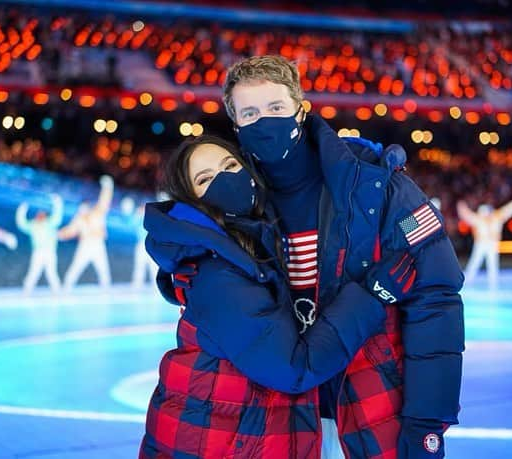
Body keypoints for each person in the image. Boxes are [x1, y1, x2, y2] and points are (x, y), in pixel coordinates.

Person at [217, 55, 465, 458]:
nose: (265, 122)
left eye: (276, 108)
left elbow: (436, 300)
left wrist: (425, 423)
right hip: (278, 418)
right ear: (237, 127)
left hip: (374, 406)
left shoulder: (376, 186)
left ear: (301, 109)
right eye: (250, 113)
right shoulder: (236, 205)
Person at [140, 136, 415, 458]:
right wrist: (372, 295)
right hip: (212, 442)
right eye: (205, 179)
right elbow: (292, 368)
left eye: (230, 166)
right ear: (192, 201)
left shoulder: (251, 241)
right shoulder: (216, 274)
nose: (225, 179)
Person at [58, 175, 114, 290]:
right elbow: (70, 230)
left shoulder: (97, 213)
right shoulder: (79, 218)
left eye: (84, 207)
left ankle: (106, 290)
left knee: (103, 269)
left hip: (97, 245)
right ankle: (66, 288)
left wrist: (108, 187)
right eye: (81, 208)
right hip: (85, 245)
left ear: (88, 207)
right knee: (76, 267)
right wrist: (59, 235)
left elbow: (104, 201)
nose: (82, 210)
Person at [457, 197, 512, 289]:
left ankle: (493, 282)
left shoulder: (496, 217)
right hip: (481, 244)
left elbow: (507, 210)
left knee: (492, 264)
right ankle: (469, 280)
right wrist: (461, 207)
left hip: (492, 244)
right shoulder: (480, 219)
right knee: (475, 262)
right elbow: (467, 215)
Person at [15, 194, 64, 294]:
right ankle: (26, 290)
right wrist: (21, 210)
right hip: (38, 252)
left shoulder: (50, 223)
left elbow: (58, 215)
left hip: (50, 252)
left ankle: (57, 291)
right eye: (38, 214)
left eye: (42, 214)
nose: (40, 215)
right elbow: (21, 224)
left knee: (51, 273)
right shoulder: (33, 225)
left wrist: (57, 203)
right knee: (34, 272)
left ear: (45, 215)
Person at [121, 196, 159, 291]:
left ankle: (157, 287)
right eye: (143, 206)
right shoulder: (137, 217)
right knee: (139, 266)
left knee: (153, 266)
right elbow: (130, 224)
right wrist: (137, 215)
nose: (144, 208)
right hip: (141, 245)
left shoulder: (153, 217)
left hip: (152, 244)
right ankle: (137, 286)